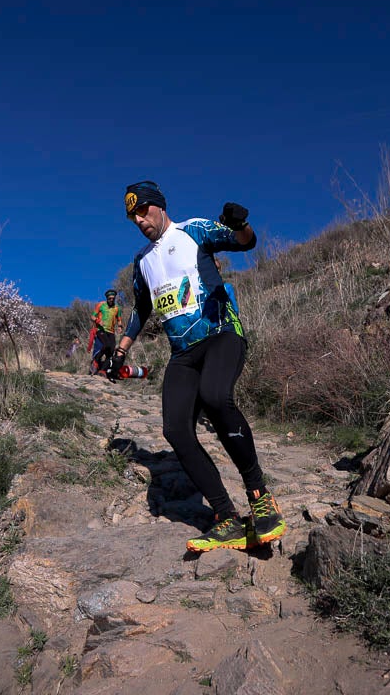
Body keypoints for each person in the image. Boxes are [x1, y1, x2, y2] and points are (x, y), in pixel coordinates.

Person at [105, 180, 286, 553]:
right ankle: (226, 519)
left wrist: (240, 222)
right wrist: (121, 349)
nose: (139, 220)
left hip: (221, 334)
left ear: (159, 206)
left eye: (143, 211)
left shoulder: (194, 230)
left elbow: (243, 241)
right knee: (175, 429)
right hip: (183, 353)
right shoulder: (142, 262)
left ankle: (260, 499)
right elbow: (142, 309)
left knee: (216, 397)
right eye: (132, 217)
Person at [90, 289, 123, 374]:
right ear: (107, 298)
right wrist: (98, 321)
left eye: (113, 298)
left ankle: (103, 370)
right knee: (107, 345)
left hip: (111, 331)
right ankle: (96, 361)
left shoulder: (117, 308)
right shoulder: (100, 305)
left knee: (111, 350)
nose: (111, 300)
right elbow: (92, 316)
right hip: (100, 330)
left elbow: (119, 319)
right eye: (110, 298)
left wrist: (120, 326)